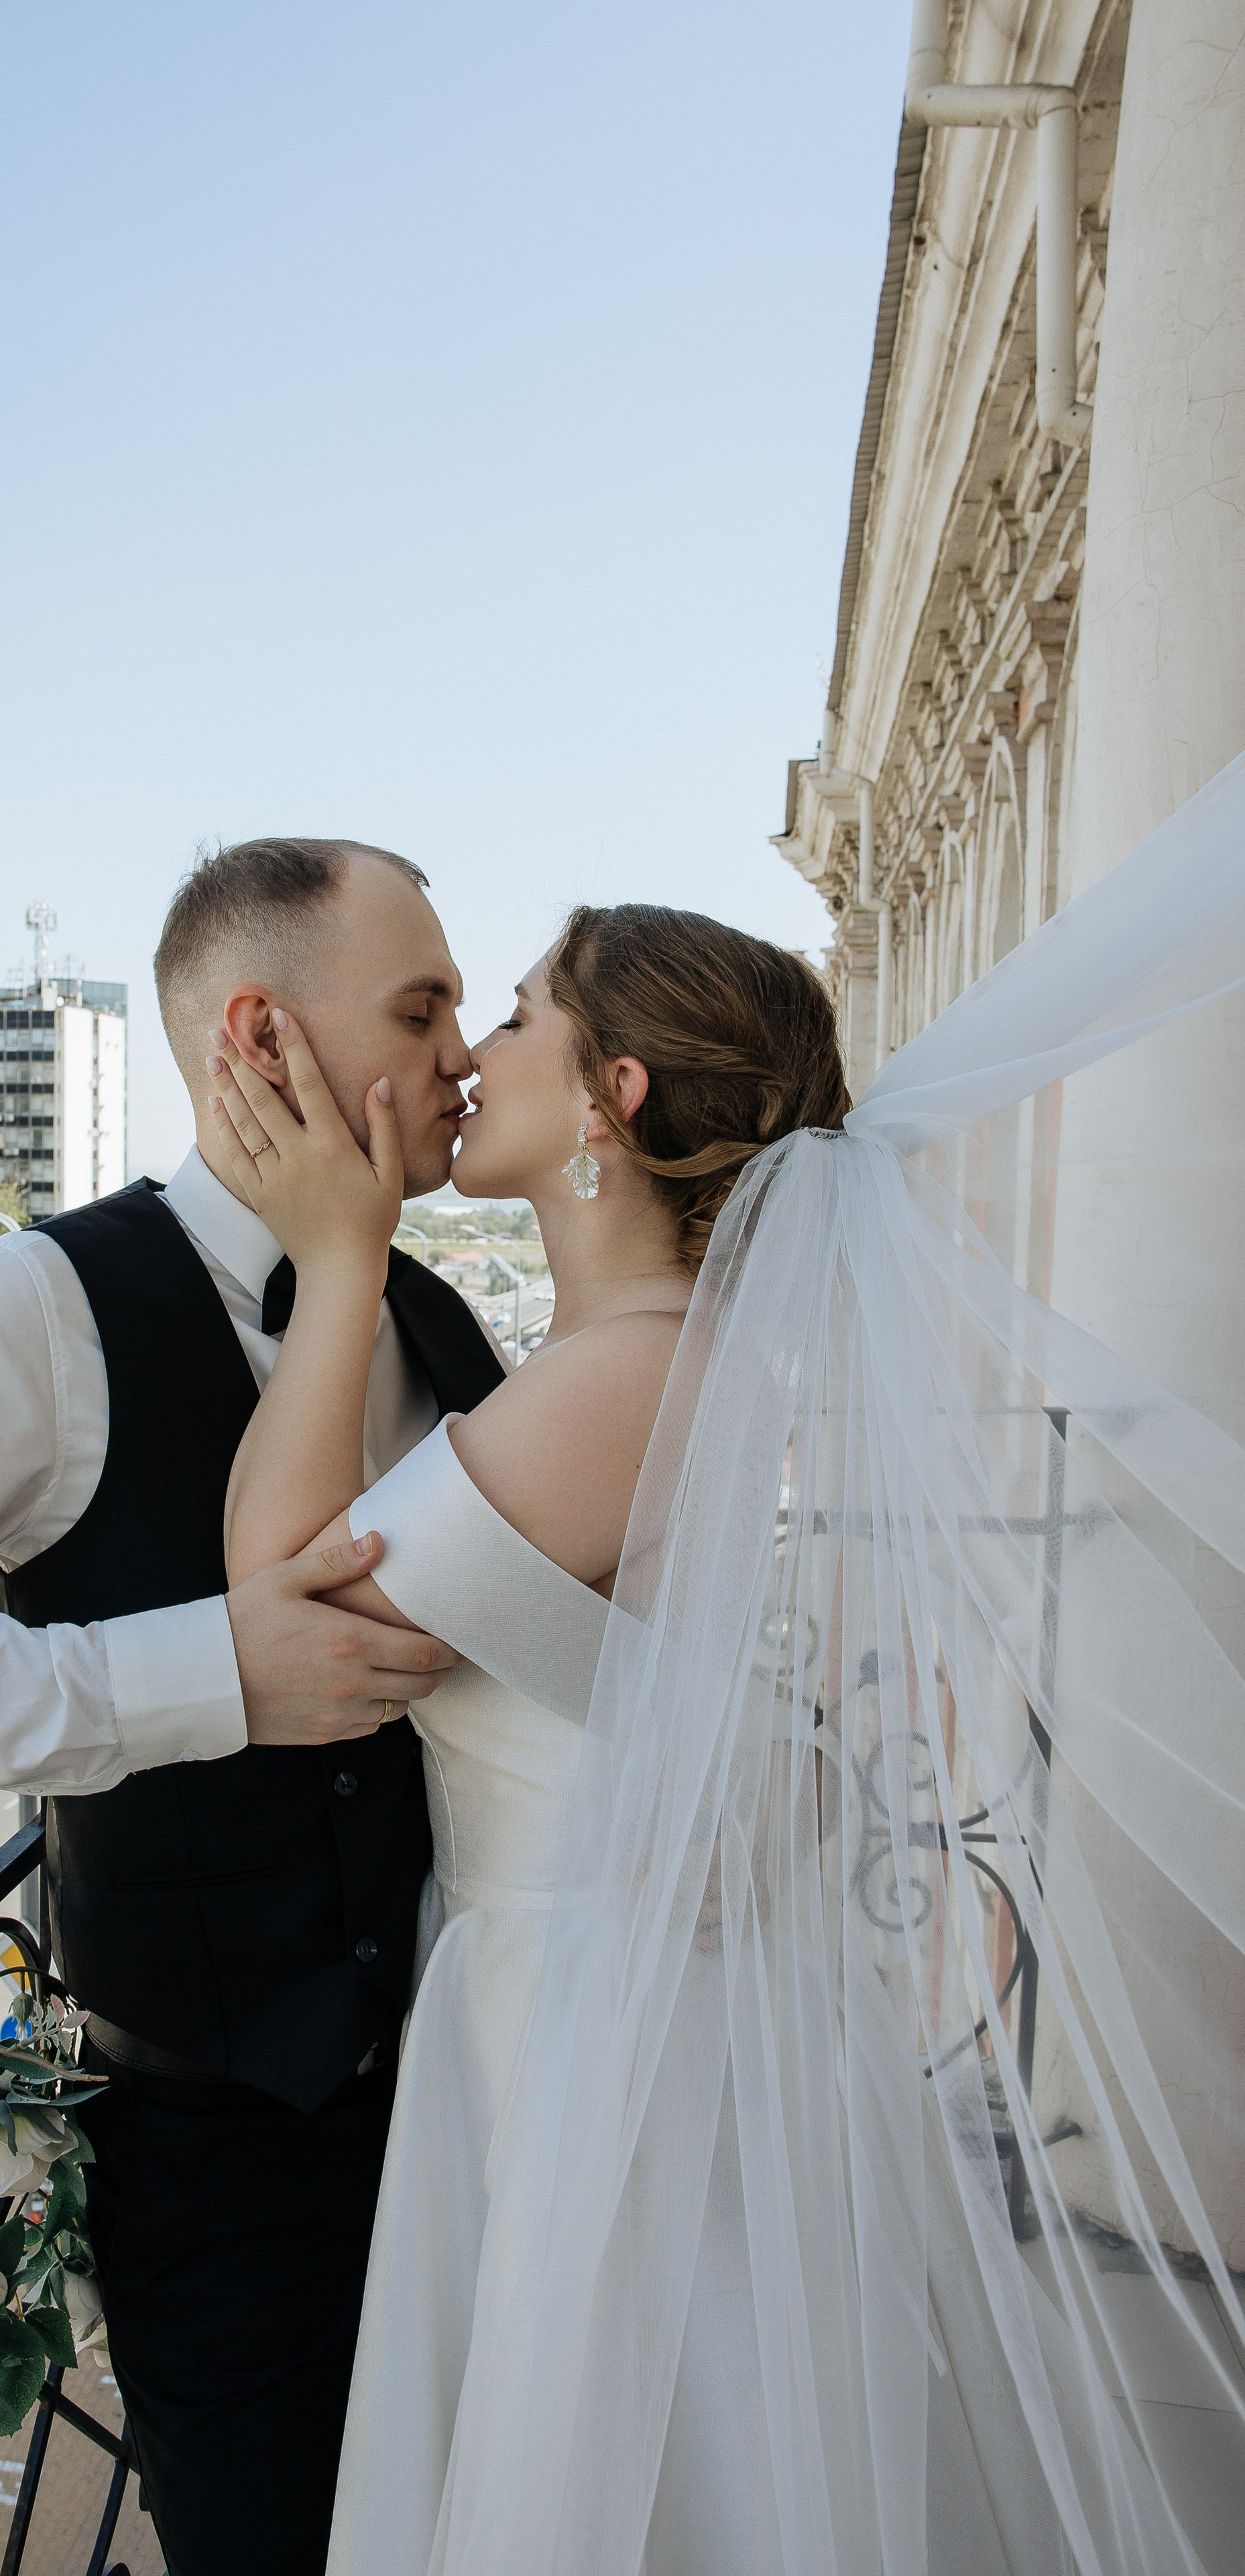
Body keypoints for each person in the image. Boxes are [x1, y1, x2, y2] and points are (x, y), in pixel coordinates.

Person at [209, 837, 1245, 2574]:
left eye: (513, 1016)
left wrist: (341, 1255)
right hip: (595, 2001)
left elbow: (279, 1599)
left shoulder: (630, 1373)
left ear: (609, 1095)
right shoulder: (643, 1356)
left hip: (592, 2039)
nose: (470, 1055)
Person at [0, 837, 506, 2576]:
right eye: (422, 1008)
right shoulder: (37, 1306)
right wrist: (199, 1675)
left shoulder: (438, 1321)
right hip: (215, 2171)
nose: (465, 1057)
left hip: (471, 2103)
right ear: (263, 1039)